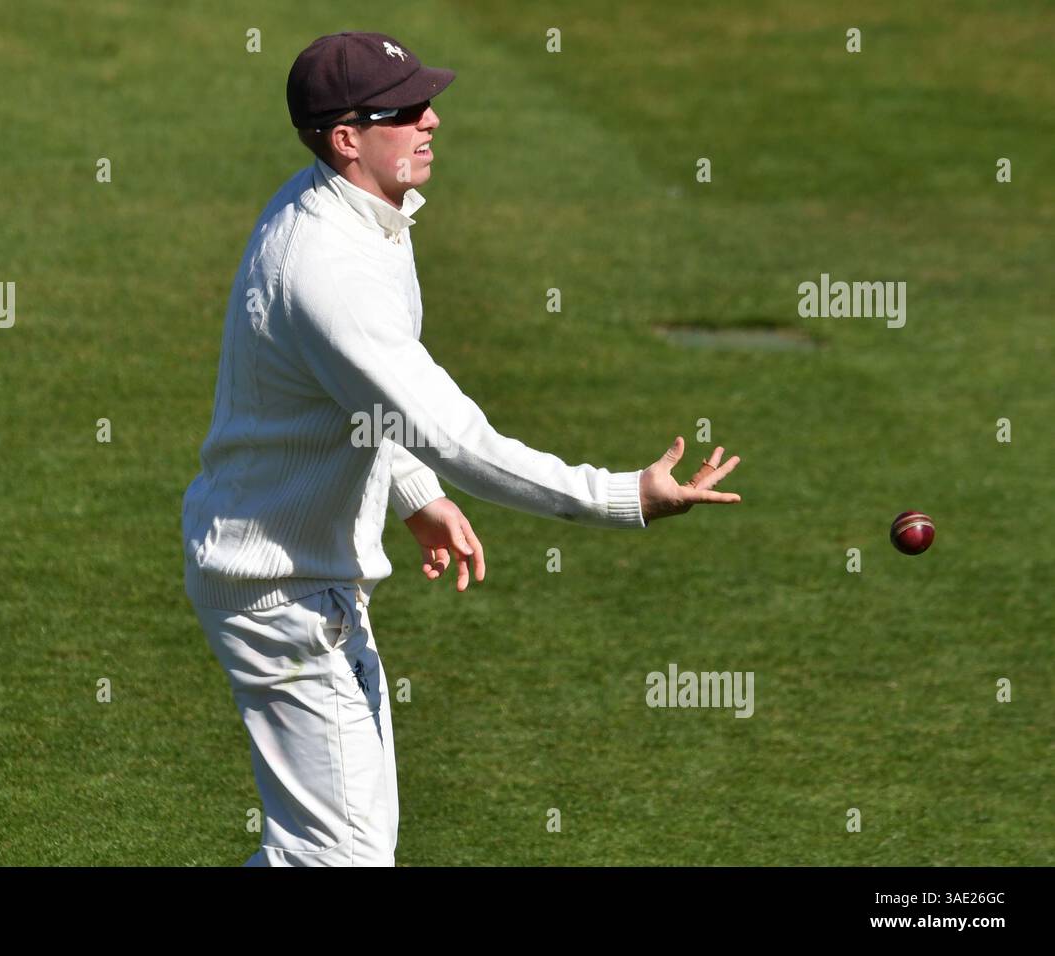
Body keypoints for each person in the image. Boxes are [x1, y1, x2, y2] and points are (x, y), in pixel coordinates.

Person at [182, 31, 743, 866]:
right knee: (339, 859)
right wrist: (621, 495)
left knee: (340, 851)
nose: (432, 119)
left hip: (300, 575)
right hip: (280, 596)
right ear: (347, 137)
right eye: (405, 110)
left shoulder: (356, 213)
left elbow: (359, 397)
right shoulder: (329, 268)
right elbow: (456, 436)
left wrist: (412, 492)